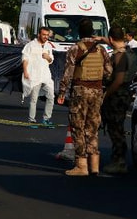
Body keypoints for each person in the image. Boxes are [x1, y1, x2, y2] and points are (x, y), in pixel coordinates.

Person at [56, 18, 112, 176]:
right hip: (97, 92)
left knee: (78, 127)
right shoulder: (101, 50)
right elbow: (109, 72)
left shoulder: (75, 49)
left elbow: (68, 73)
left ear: (79, 32)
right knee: (93, 127)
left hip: (80, 91)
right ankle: (94, 164)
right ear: (93, 32)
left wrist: (62, 92)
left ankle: (81, 165)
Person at [101, 25, 136, 174]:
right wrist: (102, 39)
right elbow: (116, 43)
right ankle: (119, 160)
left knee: (116, 130)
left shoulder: (119, 56)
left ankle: (119, 161)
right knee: (119, 128)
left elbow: (118, 79)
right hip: (125, 95)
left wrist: (106, 95)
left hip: (117, 96)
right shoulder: (129, 52)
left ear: (111, 38)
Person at [21, 26, 55, 125]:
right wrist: (26, 71)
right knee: (34, 99)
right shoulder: (30, 45)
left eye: (47, 35)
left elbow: (51, 60)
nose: (45, 37)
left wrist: (48, 57)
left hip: (45, 75)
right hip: (34, 76)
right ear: (39, 34)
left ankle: (46, 118)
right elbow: (25, 58)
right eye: (44, 35)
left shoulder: (48, 46)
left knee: (51, 97)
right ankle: (31, 119)